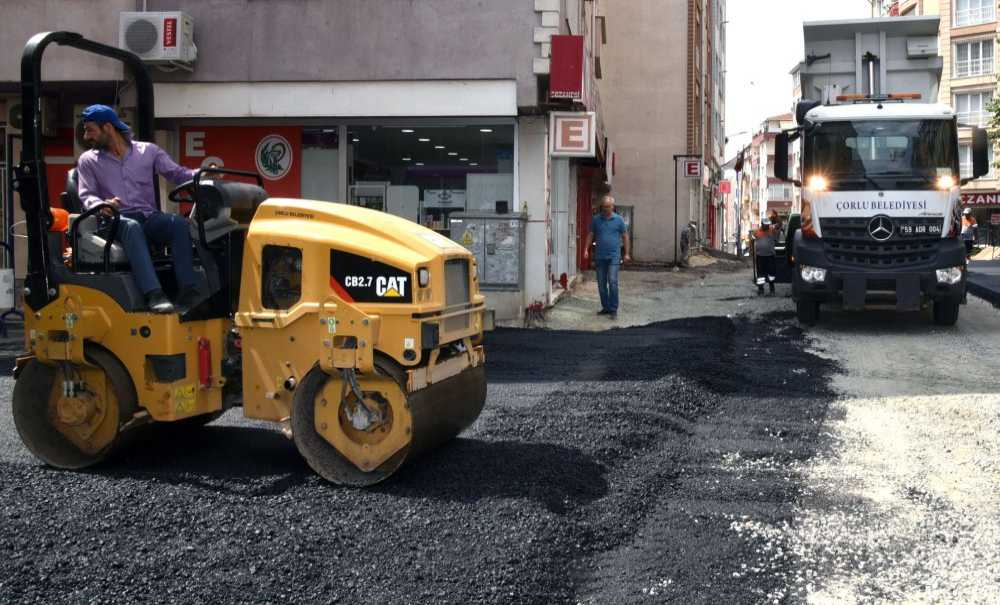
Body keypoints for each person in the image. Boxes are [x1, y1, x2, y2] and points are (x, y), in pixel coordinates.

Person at [76, 104, 198, 314]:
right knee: (131, 226)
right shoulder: (88, 161)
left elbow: (177, 174)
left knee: (177, 223)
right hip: (115, 222)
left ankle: (188, 292)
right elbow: (87, 195)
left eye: (90, 130)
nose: (87, 136)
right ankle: (154, 294)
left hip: (148, 218)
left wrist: (201, 174)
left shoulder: (148, 151)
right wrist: (102, 205)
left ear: (107, 127)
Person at [583, 194, 631, 319]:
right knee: (601, 284)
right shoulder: (596, 220)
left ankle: (613, 309)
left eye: (608, 207)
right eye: (604, 207)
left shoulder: (619, 220)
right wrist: (586, 249)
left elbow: (625, 236)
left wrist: (626, 253)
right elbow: (590, 234)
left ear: (612, 207)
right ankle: (606, 307)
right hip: (600, 256)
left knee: (613, 281)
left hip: (614, 256)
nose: (606, 209)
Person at [753, 218, 778, 295]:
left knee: (771, 273)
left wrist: (776, 220)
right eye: (765, 225)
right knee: (760, 274)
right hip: (760, 256)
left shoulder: (772, 230)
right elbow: (753, 240)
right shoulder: (757, 232)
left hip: (770, 255)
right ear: (762, 225)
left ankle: (772, 289)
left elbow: (778, 226)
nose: (767, 226)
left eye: (768, 225)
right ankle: (761, 289)